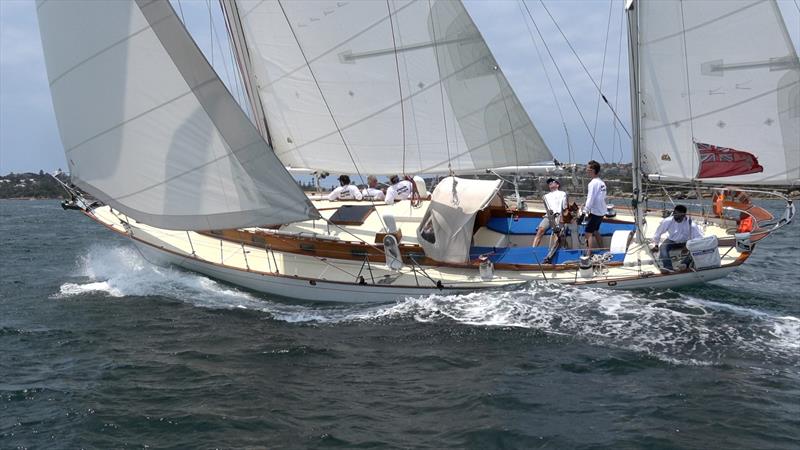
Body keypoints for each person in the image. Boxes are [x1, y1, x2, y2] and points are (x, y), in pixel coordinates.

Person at [650, 204, 704, 272]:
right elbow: (658, 233)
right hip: (672, 241)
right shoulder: (667, 221)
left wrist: (689, 246)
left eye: (679, 215)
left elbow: (698, 238)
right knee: (663, 247)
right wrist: (656, 245)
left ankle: (684, 264)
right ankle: (668, 268)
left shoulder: (691, 224)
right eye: (675, 214)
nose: (676, 216)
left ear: (684, 215)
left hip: (686, 242)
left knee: (696, 248)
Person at [532, 178, 568, 247]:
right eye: (549, 183)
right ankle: (533, 249)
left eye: (552, 182)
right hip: (549, 216)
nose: (550, 183)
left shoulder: (562, 193)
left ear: (557, 185)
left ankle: (555, 250)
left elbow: (564, 206)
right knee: (540, 230)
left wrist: (562, 217)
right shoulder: (545, 196)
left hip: (559, 215)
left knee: (557, 233)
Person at [583, 160, 607, 254]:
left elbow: (590, 198)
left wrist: (585, 210)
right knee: (596, 231)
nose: (586, 170)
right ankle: (603, 249)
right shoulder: (602, 183)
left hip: (595, 212)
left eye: (588, 169)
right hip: (601, 211)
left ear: (592, 170)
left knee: (588, 233)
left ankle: (588, 254)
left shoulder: (592, 183)